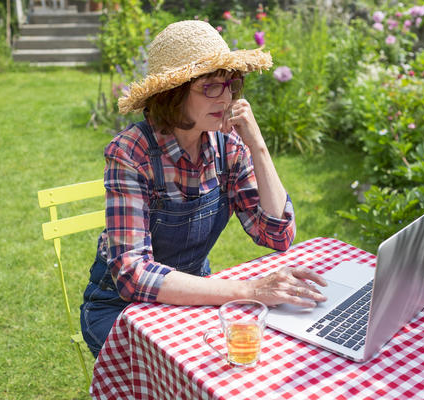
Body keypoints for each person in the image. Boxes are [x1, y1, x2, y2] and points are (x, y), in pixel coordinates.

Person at [80, 20, 327, 358]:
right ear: (173, 94)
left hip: (195, 298)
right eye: (211, 86)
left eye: (231, 85)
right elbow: (134, 275)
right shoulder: (130, 153)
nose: (226, 98)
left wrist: (259, 147)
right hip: (121, 309)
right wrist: (252, 289)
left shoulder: (227, 145)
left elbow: (277, 235)